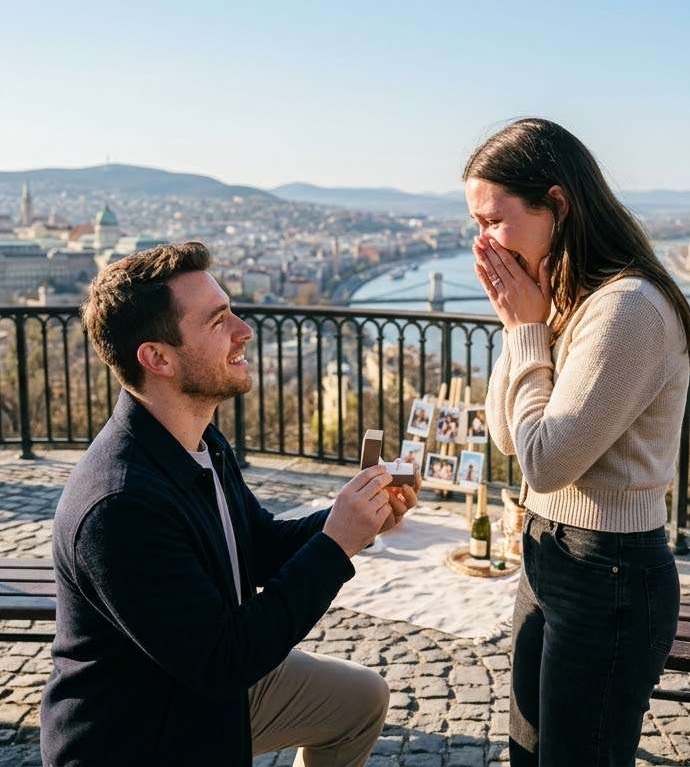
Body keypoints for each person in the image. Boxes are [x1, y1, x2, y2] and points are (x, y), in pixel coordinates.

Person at [42, 242, 419, 766]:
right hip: (141, 735)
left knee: (360, 699)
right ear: (157, 358)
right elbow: (225, 659)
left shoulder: (196, 439)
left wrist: (358, 517)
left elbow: (256, 545)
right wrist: (336, 545)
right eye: (218, 321)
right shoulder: (119, 506)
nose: (244, 330)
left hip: (199, 685)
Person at [468, 118, 690, 766]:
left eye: (493, 220)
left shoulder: (626, 308)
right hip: (550, 552)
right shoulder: (565, 300)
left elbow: (544, 463)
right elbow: (507, 436)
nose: (481, 242)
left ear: (557, 204)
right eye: (475, 223)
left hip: (609, 571)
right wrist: (520, 325)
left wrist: (525, 328)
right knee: (528, 753)